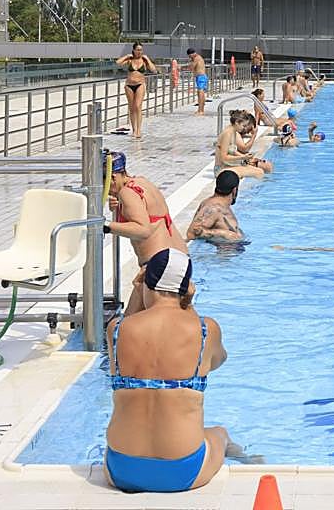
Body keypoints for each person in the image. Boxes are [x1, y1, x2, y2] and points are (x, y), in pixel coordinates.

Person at [105, 249, 240, 493]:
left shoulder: (117, 329)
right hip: (183, 471)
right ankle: (250, 460)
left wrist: (138, 292)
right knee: (220, 433)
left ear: (145, 282)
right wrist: (188, 305)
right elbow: (218, 361)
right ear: (186, 289)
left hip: (121, 468)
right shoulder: (205, 329)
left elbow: (130, 321)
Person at [105, 152, 186, 315]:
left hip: (158, 265)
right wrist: (118, 207)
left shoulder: (127, 193)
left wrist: (105, 226)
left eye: (104, 184)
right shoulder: (142, 182)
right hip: (180, 259)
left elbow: (143, 229)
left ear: (112, 177)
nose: (105, 190)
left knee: (127, 327)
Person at [187, 171, 244, 245]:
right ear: (234, 190)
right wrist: (223, 233)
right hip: (222, 254)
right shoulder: (213, 207)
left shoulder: (220, 205)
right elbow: (191, 233)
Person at [116, 42, 159, 139]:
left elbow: (154, 70)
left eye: (141, 50)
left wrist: (147, 59)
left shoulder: (144, 60)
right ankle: (134, 130)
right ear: (134, 50)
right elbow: (118, 62)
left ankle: (139, 130)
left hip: (140, 84)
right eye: (138, 50)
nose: (139, 52)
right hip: (129, 85)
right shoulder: (129, 60)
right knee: (131, 108)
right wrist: (127, 56)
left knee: (138, 106)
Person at [215, 111, 272, 179]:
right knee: (259, 172)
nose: (244, 128)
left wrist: (245, 157)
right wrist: (242, 158)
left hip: (227, 166)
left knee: (263, 169)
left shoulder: (233, 131)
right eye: (243, 126)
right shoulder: (228, 134)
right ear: (236, 123)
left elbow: (232, 151)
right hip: (221, 169)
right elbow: (224, 157)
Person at [186, 48, 208, 116]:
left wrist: (188, 64)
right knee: (200, 93)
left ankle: (201, 111)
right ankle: (200, 110)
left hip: (201, 77)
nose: (189, 57)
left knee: (200, 93)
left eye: (190, 56)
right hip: (200, 77)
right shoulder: (198, 57)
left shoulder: (196, 58)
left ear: (192, 54)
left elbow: (192, 67)